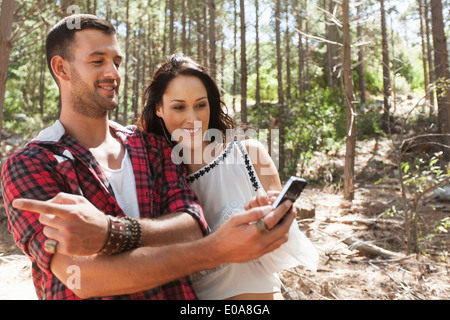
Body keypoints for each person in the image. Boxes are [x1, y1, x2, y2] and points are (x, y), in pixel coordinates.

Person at [1, 14, 295, 300]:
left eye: (116, 62)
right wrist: (216, 248)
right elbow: (83, 276)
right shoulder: (30, 164)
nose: (113, 73)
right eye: (97, 61)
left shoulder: (151, 147)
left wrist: (110, 233)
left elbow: (192, 227)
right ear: (61, 69)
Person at [139, 54, 319, 300]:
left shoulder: (249, 154)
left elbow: (280, 253)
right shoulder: (152, 176)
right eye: (179, 107)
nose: (192, 119)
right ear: (159, 108)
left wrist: (269, 226)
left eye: (200, 105)